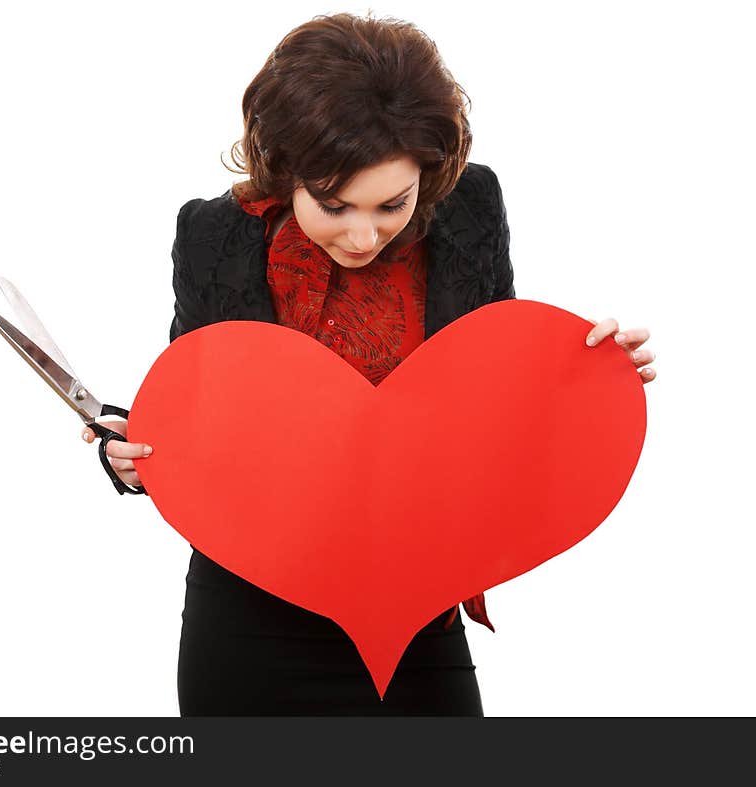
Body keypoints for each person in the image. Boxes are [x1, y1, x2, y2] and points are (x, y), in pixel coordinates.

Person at [80, 12, 657, 716]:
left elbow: (495, 399)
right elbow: (193, 402)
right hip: (251, 610)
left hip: (419, 603)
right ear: (286, 170)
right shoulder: (213, 234)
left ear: (430, 177)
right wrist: (127, 454)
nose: (363, 234)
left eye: (392, 205)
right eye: (333, 204)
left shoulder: (470, 208)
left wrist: (585, 376)